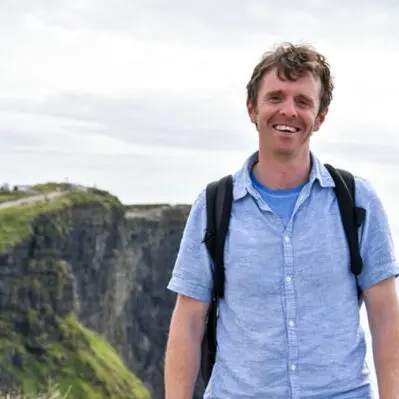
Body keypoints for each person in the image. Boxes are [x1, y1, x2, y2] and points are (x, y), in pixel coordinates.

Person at [164, 42, 399, 398]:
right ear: (252, 108)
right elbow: (188, 320)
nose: (288, 111)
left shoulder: (357, 201)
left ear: (319, 117)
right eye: (276, 97)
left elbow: (386, 319)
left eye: (303, 101)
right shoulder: (213, 204)